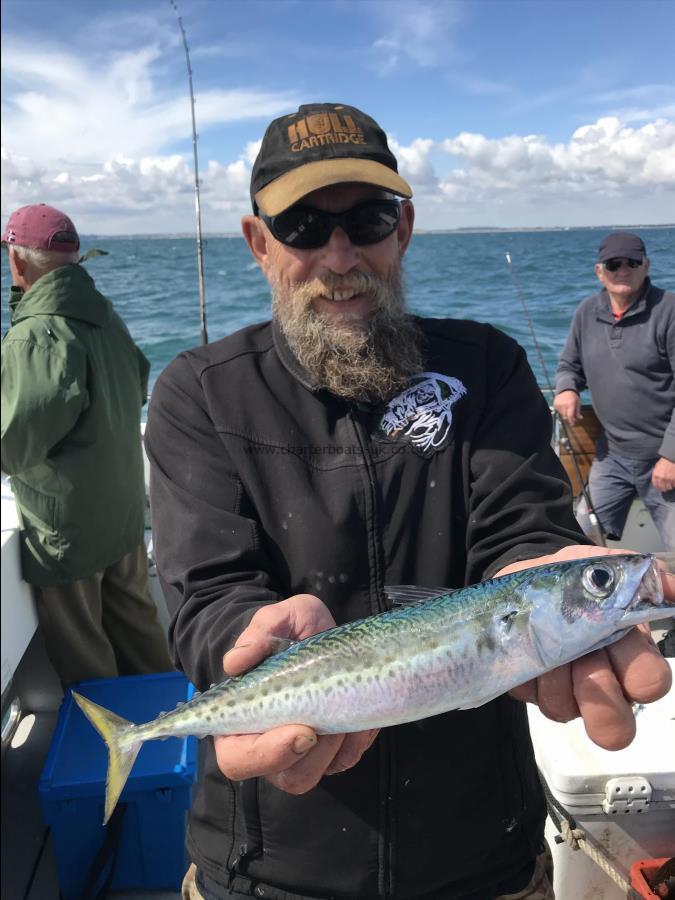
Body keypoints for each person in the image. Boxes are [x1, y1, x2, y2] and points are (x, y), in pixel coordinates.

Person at [145, 104, 673, 900]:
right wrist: (241, 635)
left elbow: (521, 531)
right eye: (300, 226)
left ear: (405, 228)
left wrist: (547, 572)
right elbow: (204, 593)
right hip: (265, 863)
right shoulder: (198, 392)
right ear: (259, 244)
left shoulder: (487, 363)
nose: (339, 254)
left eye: (367, 218)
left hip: (481, 854)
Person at [1, 203, 173, 686]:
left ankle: (112, 750)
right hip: (119, 517)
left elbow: (13, 443)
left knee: (85, 654)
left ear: (17, 262)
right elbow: (138, 383)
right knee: (140, 633)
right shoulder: (105, 317)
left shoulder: (35, 334)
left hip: (67, 530)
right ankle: (173, 736)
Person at [554, 232, 675, 550]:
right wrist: (567, 388)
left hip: (664, 458)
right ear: (599, 271)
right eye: (613, 264)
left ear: (646, 266)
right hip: (613, 456)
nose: (623, 270)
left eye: (633, 263)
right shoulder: (586, 312)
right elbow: (569, 365)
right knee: (575, 536)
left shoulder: (669, 311)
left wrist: (671, 456)